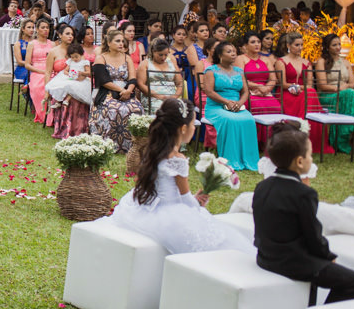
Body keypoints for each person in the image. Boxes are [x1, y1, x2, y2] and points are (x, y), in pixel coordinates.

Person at [107, 99, 252, 254]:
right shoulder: (177, 159)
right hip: (169, 213)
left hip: (146, 207)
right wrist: (197, 204)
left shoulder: (155, 150)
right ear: (183, 128)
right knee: (218, 239)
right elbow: (185, 198)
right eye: (192, 125)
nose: (194, 129)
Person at [253, 124, 354, 304]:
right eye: (310, 155)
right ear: (299, 161)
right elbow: (313, 235)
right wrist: (329, 256)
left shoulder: (262, 186)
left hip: (265, 257)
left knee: (315, 269)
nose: (311, 159)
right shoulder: (304, 194)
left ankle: (310, 307)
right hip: (291, 263)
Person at [202, 41, 260, 171]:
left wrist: (240, 103)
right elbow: (209, 92)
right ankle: (230, 160)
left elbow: (245, 91)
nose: (233, 54)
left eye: (234, 51)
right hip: (216, 107)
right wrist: (226, 102)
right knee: (230, 120)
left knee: (249, 119)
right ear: (220, 55)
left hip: (237, 105)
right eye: (229, 51)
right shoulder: (211, 70)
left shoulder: (239, 71)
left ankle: (249, 159)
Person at [275, 31, 333, 156]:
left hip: (303, 92)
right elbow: (283, 83)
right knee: (309, 94)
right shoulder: (281, 61)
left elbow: (310, 84)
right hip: (286, 93)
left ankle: (312, 139)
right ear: (288, 46)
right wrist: (296, 87)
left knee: (310, 92)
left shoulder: (307, 62)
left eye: (301, 45)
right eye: (297, 45)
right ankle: (300, 136)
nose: (300, 48)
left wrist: (299, 88)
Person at [316, 33, 354, 155]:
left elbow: (352, 84)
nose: (338, 47)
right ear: (327, 47)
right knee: (350, 95)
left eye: (339, 44)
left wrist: (344, 88)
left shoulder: (346, 62)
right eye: (334, 45)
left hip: (345, 94)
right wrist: (337, 89)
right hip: (328, 95)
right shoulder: (321, 62)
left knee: (350, 94)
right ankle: (349, 136)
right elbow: (322, 86)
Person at [90, 29, 144, 153]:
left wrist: (129, 91)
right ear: (109, 43)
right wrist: (121, 90)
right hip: (106, 91)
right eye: (117, 41)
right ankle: (111, 144)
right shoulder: (101, 58)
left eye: (122, 41)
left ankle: (133, 145)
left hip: (126, 91)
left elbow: (132, 78)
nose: (121, 43)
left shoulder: (127, 58)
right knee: (114, 109)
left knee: (137, 108)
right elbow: (103, 81)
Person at [235, 31, 281, 117]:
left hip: (265, 93)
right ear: (245, 45)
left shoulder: (266, 59)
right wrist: (259, 87)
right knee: (257, 107)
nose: (257, 44)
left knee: (277, 107)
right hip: (248, 93)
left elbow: (273, 79)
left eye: (258, 42)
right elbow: (240, 79)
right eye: (253, 42)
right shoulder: (240, 59)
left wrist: (266, 89)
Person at [137, 38, 183, 115]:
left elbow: (179, 83)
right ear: (153, 52)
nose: (163, 58)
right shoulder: (145, 64)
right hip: (152, 97)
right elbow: (141, 84)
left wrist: (175, 96)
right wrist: (159, 96)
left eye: (166, 55)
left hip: (171, 97)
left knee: (179, 110)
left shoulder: (172, 64)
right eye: (160, 55)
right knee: (161, 110)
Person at [45, 43, 92, 109]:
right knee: (63, 85)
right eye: (72, 57)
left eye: (76, 57)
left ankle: (67, 100)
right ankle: (58, 101)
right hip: (71, 77)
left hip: (80, 79)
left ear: (81, 54)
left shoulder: (84, 62)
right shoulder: (70, 61)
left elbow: (89, 72)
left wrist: (82, 73)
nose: (74, 59)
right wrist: (68, 74)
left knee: (73, 86)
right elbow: (65, 70)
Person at [26, 18, 55, 122]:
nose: (46, 30)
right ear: (37, 29)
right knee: (39, 87)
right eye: (43, 27)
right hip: (36, 71)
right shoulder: (32, 44)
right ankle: (44, 115)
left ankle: (54, 116)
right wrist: (40, 71)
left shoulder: (52, 44)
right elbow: (27, 65)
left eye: (47, 28)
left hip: (50, 70)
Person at [169, 25, 199, 102]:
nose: (181, 36)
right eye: (179, 34)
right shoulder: (168, 50)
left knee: (191, 89)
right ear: (173, 35)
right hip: (173, 75)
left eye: (183, 34)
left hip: (188, 74)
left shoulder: (189, 49)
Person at [12, 19, 36, 88]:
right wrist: (29, 63)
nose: (31, 30)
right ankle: (27, 92)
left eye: (33, 27)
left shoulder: (35, 43)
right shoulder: (18, 44)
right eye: (29, 27)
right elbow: (19, 62)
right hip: (22, 68)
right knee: (31, 75)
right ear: (23, 29)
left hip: (34, 67)